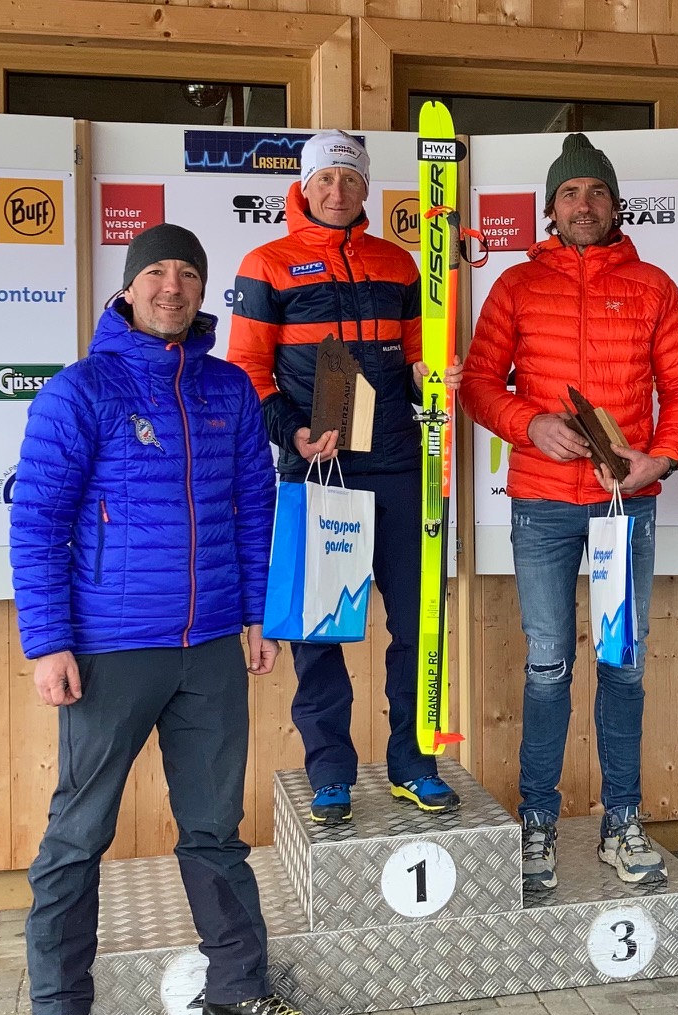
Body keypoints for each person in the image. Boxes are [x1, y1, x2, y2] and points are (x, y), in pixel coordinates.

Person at [10, 223, 317, 1015]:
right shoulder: (82, 390)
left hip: (213, 645)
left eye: (187, 273)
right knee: (79, 835)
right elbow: (37, 522)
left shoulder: (226, 392)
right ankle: (60, 1010)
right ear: (128, 285)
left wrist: (256, 616)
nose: (171, 287)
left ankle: (237, 990)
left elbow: (257, 510)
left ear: (202, 289)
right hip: (111, 648)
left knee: (216, 830)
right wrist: (48, 642)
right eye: (157, 273)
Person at [460, 133, 678, 891]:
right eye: (570, 193)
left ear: (614, 204)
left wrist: (659, 458)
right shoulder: (514, 286)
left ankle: (621, 821)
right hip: (540, 504)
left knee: (621, 666)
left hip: (623, 508)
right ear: (550, 208)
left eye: (596, 192)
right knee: (545, 667)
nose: (584, 205)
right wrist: (528, 424)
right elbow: (476, 383)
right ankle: (536, 822)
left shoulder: (654, 286)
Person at [227, 130, 462, 826]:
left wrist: (432, 378)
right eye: (324, 179)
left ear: (365, 189)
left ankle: (413, 763)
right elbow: (246, 368)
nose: (336, 191)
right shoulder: (266, 263)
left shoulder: (397, 263)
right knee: (319, 631)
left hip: (397, 466)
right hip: (318, 466)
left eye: (349, 179)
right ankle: (329, 772)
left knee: (418, 627)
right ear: (302, 187)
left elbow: (421, 356)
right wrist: (290, 433)